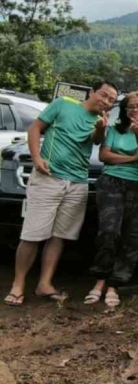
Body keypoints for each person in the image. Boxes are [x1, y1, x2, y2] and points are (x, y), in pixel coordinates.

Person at [3, 80, 118, 307]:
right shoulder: (63, 104)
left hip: (78, 182)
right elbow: (35, 128)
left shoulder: (99, 121)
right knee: (32, 234)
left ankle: (44, 283)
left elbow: (95, 141)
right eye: (103, 95)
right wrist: (36, 158)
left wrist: (101, 129)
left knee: (60, 235)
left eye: (111, 100)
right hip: (48, 177)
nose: (105, 101)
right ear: (93, 92)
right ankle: (18, 285)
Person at [84, 92, 138, 308]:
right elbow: (104, 156)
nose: (136, 110)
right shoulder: (114, 131)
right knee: (109, 231)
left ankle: (115, 284)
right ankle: (99, 280)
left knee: (132, 236)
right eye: (131, 107)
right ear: (124, 111)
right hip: (111, 182)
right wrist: (131, 158)